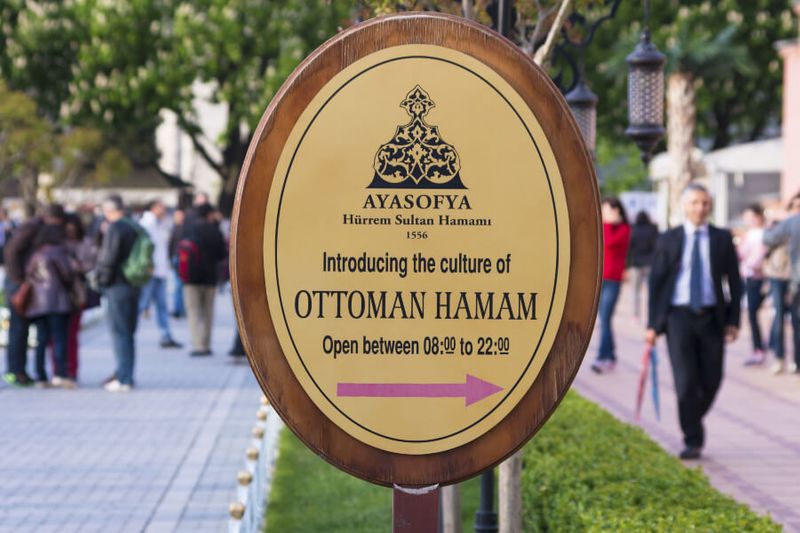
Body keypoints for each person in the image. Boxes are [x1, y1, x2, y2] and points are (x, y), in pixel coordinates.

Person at [646, 183, 741, 460]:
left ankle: (691, 417)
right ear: (684, 206)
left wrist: (733, 320)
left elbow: (734, 282)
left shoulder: (722, 238)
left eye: (705, 203)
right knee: (686, 382)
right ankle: (692, 438)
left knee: (712, 379)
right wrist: (653, 325)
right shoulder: (669, 239)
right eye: (695, 203)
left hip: (712, 317)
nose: (700, 208)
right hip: (678, 317)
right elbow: (657, 283)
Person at [2, 204, 65, 387]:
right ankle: (15, 371)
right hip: (19, 284)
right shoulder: (32, 227)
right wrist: (19, 279)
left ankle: (22, 370)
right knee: (18, 329)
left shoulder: (41, 229)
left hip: (30, 284)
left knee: (28, 329)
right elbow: (11, 251)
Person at [95, 195, 141, 392]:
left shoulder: (115, 228)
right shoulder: (134, 225)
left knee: (119, 332)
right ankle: (126, 373)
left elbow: (108, 258)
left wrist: (100, 281)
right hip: (134, 284)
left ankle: (124, 378)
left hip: (117, 285)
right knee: (128, 333)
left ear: (108, 210)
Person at [26, 224, 77, 388]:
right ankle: (60, 373)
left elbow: (29, 274)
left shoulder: (36, 254)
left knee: (41, 340)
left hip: (38, 303)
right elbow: (67, 275)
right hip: (58, 301)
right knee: (60, 338)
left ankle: (40, 375)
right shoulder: (58, 252)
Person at [591, 197, 631, 373]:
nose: (604, 215)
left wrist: (607, 224)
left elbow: (609, 243)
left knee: (605, 318)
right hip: (600, 279)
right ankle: (611, 355)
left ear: (617, 211)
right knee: (604, 319)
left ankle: (602, 357)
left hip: (613, 280)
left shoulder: (624, 229)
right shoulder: (604, 228)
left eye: (606, 211)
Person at [183, 204, 227, 356]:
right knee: (208, 312)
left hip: (191, 278)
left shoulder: (190, 229)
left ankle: (197, 346)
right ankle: (206, 344)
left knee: (193, 312)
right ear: (210, 214)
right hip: (210, 278)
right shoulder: (215, 231)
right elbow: (222, 254)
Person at [763, 193, 800, 375]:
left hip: (786, 276)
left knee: (783, 318)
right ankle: (788, 360)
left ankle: (782, 358)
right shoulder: (787, 223)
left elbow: (767, 239)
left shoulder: (788, 223)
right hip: (784, 275)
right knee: (791, 319)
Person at [139, 200, 182, 348]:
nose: (164, 210)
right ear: (154, 208)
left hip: (160, 271)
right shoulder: (146, 224)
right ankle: (129, 333)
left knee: (162, 306)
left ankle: (166, 335)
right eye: (161, 207)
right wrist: (148, 266)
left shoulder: (159, 224)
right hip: (151, 272)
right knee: (142, 303)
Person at [62, 213, 98, 381]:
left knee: (72, 334)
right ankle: (59, 370)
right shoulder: (57, 243)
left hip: (77, 292)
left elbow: (92, 263)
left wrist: (79, 267)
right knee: (58, 335)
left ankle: (72, 370)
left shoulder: (85, 243)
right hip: (58, 292)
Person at [737, 204, 768, 366]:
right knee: (752, 313)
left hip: (759, 277)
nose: (749, 221)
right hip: (749, 276)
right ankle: (759, 347)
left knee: (753, 312)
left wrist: (750, 264)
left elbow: (757, 256)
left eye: (752, 217)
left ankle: (761, 347)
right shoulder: (750, 234)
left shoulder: (763, 234)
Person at [629, 211, 659, 319]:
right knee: (651, 291)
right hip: (650, 264)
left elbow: (630, 247)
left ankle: (636, 314)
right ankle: (650, 314)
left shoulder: (633, 230)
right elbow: (657, 246)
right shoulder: (653, 229)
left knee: (635, 291)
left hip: (636, 263)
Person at [168, 208, 186, 318]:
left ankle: (180, 309)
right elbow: (170, 245)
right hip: (176, 258)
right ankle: (178, 309)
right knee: (178, 286)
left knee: (179, 286)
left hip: (182, 258)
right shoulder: (174, 228)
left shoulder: (184, 229)